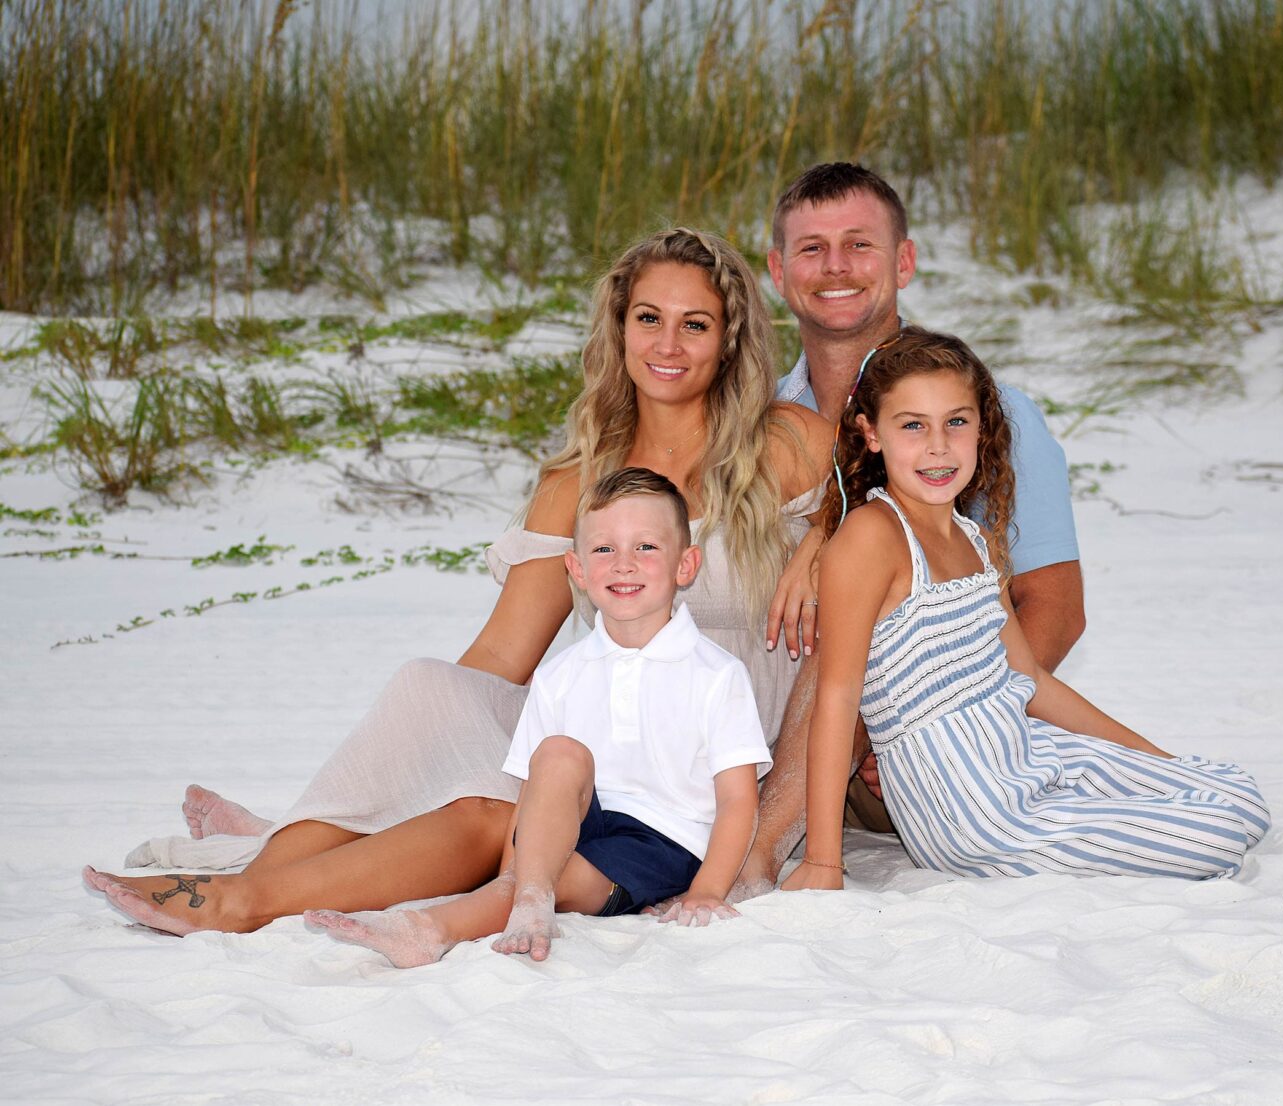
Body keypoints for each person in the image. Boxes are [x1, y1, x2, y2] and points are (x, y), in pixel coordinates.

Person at [82, 228, 833, 935]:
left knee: (484, 811)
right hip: (601, 730)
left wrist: (822, 538)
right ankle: (256, 877)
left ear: (729, 338)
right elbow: (506, 655)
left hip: (708, 750)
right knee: (431, 694)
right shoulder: (578, 480)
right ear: (618, 328)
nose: (668, 345)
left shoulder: (785, 445)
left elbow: (889, 520)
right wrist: (433, 748)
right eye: (648, 318)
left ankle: (252, 888)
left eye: (695, 324)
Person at [781, 328, 1269, 890]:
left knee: (1234, 791)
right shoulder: (872, 536)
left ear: (983, 429)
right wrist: (823, 860)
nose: (938, 446)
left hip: (1023, 755)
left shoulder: (975, 538)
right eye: (912, 425)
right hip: (969, 805)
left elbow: (1028, 678)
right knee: (1221, 829)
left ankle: (1153, 795)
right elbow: (836, 697)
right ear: (871, 434)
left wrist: (1162, 764)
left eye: (956, 422)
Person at [738, 162, 1085, 887]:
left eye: (860, 245)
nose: (836, 267)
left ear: (905, 260)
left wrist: (939, 717)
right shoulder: (761, 425)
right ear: (777, 270)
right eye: (811, 248)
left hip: (938, 749)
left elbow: (1056, 607)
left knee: (861, 610)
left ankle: (760, 851)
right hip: (795, 737)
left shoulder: (988, 418)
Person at [305, 468, 771, 966]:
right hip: (576, 818)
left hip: (662, 843)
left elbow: (738, 799)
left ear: (686, 564)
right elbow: (532, 793)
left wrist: (707, 889)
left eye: (646, 548)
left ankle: (428, 929)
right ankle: (526, 899)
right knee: (557, 755)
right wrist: (515, 875)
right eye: (604, 550)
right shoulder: (562, 674)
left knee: (559, 879)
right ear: (577, 569)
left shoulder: (717, 674)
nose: (624, 565)